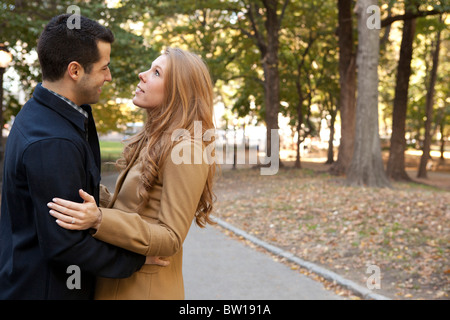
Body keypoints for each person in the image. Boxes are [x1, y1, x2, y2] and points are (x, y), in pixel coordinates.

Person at [47, 47, 217, 300]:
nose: (142, 75)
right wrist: (80, 183)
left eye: (156, 73)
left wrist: (99, 219)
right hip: (120, 281)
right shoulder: (155, 139)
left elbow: (171, 237)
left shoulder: (186, 149)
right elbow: (132, 207)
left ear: (178, 92)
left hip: (144, 290)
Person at [0, 14, 148, 300]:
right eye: (104, 68)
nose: (109, 76)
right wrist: (136, 260)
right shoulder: (52, 141)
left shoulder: (43, 112)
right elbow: (64, 245)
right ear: (75, 71)